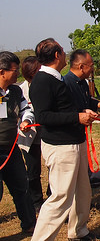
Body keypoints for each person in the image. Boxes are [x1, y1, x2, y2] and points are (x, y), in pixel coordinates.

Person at [29, 38, 97, 241]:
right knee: (60, 197)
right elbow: (44, 117)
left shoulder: (56, 78)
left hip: (74, 142)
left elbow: (63, 109)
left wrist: (81, 111)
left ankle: (78, 231)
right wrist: (77, 117)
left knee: (82, 191)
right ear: (57, 55)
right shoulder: (42, 81)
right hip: (61, 146)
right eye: (63, 51)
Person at [63, 49, 100, 188]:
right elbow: (68, 110)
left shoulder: (83, 83)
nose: (93, 69)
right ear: (81, 66)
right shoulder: (65, 84)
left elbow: (87, 101)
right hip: (69, 137)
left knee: (82, 170)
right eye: (91, 65)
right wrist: (82, 112)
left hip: (81, 135)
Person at [0, 51, 36, 234]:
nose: (18, 74)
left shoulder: (15, 91)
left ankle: (30, 224)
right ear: (2, 72)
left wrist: (26, 121)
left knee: (21, 186)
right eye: (15, 70)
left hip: (12, 148)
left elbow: (26, 109)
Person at [17, 56, 43, 210]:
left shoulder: (46, 86)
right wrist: (24, 123)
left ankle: (51, 193)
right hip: (29, 136)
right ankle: (36, 200)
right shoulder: (21, 90)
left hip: (45, 133)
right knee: (33, 170)